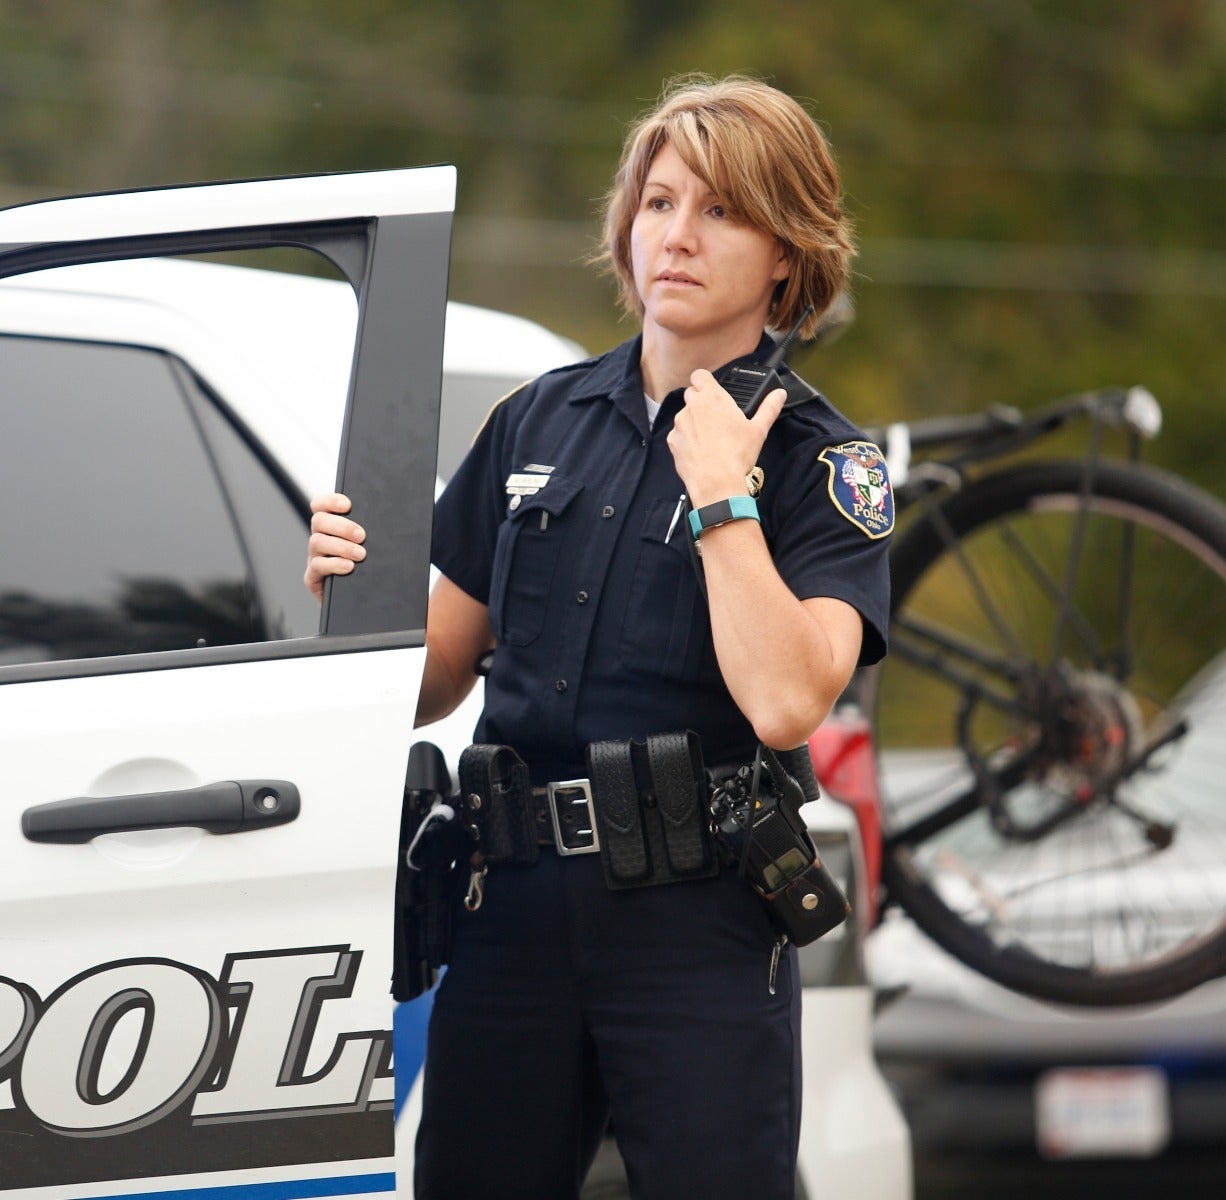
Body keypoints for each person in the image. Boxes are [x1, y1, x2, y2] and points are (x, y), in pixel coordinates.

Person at [305, 74, 891, 1200]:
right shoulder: (537, 418)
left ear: (787, 253)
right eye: (659, 201)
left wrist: (725, 500)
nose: (676, 234)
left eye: (721, 210)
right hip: (509, 906)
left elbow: (787, 702)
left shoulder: (825, 461)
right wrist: (349, 596)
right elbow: (429, 681)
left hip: (697, 923)